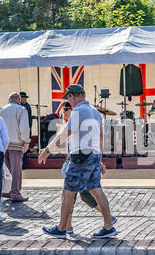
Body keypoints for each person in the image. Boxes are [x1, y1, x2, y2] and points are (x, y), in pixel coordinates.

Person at [38, 84, 117, 239]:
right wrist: (99, 158)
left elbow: (64, 133)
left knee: (68, 191)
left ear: (72, 96)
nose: (68, 101)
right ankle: (109, 226)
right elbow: (101, 136)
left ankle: (61, 229)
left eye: (68, 97)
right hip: (94, 154)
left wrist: (47, 150)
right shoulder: (95, 112)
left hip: (80, 155)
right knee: (96, 190)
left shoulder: (78, 111)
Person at [61, 101, 117, 234]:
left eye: (66, 109)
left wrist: (98, 161)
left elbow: (92, 144)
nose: (64, 112)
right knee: (83, 194)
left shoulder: (79, 122)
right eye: (63, 110)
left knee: (71, 194)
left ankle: (65, 227)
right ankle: (108, 220)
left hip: (80, 162)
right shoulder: (72, 123)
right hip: (77, 161)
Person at [0, 92, 30, 202]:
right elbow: (24, 127)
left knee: (7, 169)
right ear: (19, 100)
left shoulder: (1, 110)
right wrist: (26, 141)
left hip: (3, 144)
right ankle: (15, 192)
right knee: (16, 169)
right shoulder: (21, 109)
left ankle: (7, 190)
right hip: (16, 143)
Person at [20, 92, 32, 169]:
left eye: (24, 98)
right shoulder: (21, 106)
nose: (23, 99)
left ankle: (23, 165)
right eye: (22, 97)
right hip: (22, 130)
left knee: (24, 148)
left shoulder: (26, 107)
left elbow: (28, 121)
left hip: (25, 130)